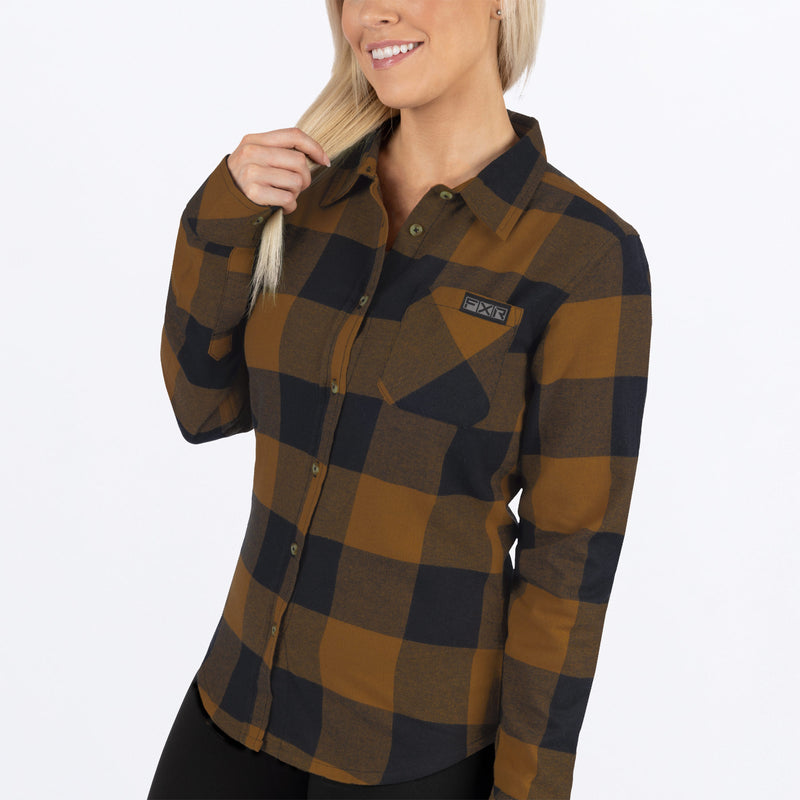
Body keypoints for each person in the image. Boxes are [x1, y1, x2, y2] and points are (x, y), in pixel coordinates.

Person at [147, 1, 652, 798]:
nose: (373, 14)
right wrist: (223, 213)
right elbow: (201, 405)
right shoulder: (303, 195)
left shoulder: (584, 258)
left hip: (410, 757)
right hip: (234, 713)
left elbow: (568, 567)